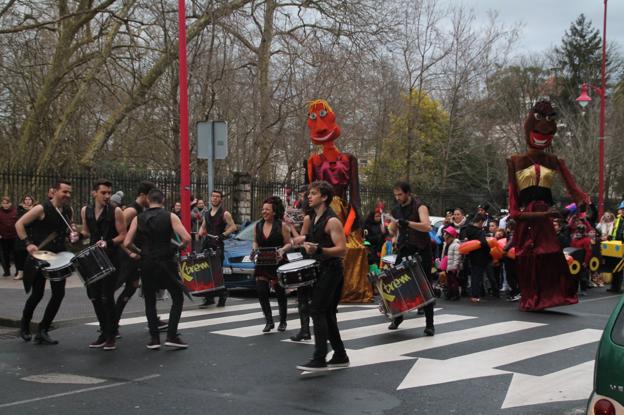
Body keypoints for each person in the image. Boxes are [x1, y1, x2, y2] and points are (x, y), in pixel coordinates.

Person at [506, 100, 590, 310]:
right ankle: (531, 296)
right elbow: (514, 207)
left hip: (544, 217)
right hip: (531, 217)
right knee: (527, 256)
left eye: (550, 119)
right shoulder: (515, 160)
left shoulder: (554, 161)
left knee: (549, 254)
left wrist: (581, 204)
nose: (545, 127)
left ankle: (548, 295)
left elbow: (575, 190)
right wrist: (543, 215)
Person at [124, 188, 191, 349]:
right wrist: (178, 248)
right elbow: (187, 238)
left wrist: (139, 252)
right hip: (166, 261)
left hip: (147, 262)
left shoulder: (138, 218)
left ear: (148, 200)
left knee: (150, 300)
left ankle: (154, 339)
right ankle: (172, 335)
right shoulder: (170, 216)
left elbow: (127, 243)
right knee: (177, 297)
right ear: (163, 200)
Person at [293, 181, 348, 371]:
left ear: (324, 197)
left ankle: (319, 358)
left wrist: (319, 249)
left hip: (332, 270)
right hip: (322, 269)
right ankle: (340, 355)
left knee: (316, 310)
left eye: (313, 193)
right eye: (309, 193)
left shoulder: (332, 221)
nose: (309, 196)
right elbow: (310, 240)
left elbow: (342, 250)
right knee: (327, 313)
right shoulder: (315, 218)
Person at [15, 180, 78, 344]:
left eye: (69, 192)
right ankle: (24, 325)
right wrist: (28, 243)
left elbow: (68, 230)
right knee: (37, 293)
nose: (67, 195)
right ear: (55, 191)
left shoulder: (68, 210)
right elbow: (19, 224)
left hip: (58, 257)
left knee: (59, 293)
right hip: (40, 257)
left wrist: (72, 236)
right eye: (65, 192)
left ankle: (43, 329)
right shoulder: (41, 208)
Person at [79, 179, 126, 350]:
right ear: (94, 193)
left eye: (109, 193)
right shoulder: (86, 210)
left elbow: (122, 235)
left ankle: (111, 334)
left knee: (107, 297)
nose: (107, 196)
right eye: (103, 192)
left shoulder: (116, 211)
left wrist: (108, 242)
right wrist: (78, 236)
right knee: (94, 297)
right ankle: (104, 331)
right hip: (93, 258)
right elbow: (86, 232)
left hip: (111, 258)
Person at [387, 181, 435, 335]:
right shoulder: (396, 209)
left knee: (425, 285)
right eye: (395, 195)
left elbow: (427, 226)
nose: (397, 197)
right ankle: (398, 316)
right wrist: (391, 228)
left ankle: (429, 324)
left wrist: (407, 223)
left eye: (400, 194)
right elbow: (393, 230)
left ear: (408, 193)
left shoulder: (420, 206)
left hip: (421, 249)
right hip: (404, 248)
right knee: (397, 283)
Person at [113, 181, 156, 334]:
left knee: (132, 287)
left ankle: (114, 322)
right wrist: (129, 252)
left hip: (136, 256)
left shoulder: (143, 209)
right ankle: (109, 324)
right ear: (143, 195)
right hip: (126, 256)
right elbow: (118, 233)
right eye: (150, 196)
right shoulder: (131, 210)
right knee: (114, 287)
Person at [252, 196, 291, 333]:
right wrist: (254, 248)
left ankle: (283, 321)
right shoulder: (258, 225)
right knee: (261, 291)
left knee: (280, 292)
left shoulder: (282, 226)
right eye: (263, 209)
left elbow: (289, 243)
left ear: (274, 212)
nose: (264, 212)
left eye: (267, 209)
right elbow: (255, 241)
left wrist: (282, 250)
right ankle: (269, 321)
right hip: (262, 261)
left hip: (277, 261)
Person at [198, 190, 236, 307]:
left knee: (216, 272)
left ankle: (223, 294)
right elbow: (203, 227)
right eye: (213, 196)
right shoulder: (207, 213)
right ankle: (209, 298)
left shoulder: (225, 213)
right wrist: (200, 233)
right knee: (205, 271)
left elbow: (233, 227)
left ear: (221, 199)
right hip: (207, 245)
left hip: (218, 245)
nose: (214, 198)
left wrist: (223, 235)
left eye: (217, 196)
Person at [14, 195, 35, 280]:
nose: (27, 201)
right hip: (21, 235)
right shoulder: (20, 210)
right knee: (20, 255)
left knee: (30, 256)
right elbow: (20, 221)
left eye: (29, 199)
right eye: (26, 199)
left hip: (32, 235)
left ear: (32, 201)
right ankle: (20, 272)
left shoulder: (35, 210)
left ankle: (30, 273)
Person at [441, 226, 461, 301]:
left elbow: (457, 257)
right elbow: (444, 254)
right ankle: (449, 293)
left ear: (450, 236)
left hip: (452, 265)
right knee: (448, 280)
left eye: (445, 234)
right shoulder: (446, 244)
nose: (444, 235)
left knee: (453, 280)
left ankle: (456, 294)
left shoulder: (456, 245)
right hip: (447, 264)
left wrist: (455, 266)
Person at [0, 196, 18, 277]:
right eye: (4, 203)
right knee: (5, 255)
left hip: (14, 237)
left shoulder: (15, 211)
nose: (5, 205)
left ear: (10, 204)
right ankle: (7, 270)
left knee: (16, 254)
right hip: (3, 237)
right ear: (1, 204)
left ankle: (18, 271)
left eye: (7, 203)